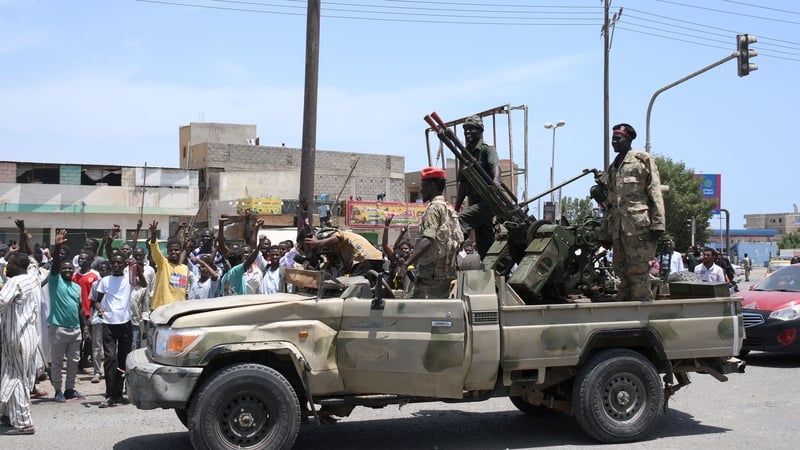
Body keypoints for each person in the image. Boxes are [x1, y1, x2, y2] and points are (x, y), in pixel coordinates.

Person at [599, 123, 665, 302]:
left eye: (617, 138)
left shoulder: (642, 160)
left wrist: (658, 223)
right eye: (612, 138)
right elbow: (610, 203)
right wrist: (605, 231)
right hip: (619, 231)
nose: (613, 141)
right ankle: (625, 314)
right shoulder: (613, 167)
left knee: (638, 273)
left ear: (628, 140)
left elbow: (655, 191)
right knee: (621, 273)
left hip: (639, 229)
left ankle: (642, 314)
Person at [400, 167, 463, 299]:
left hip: (430, 276)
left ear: (432, 186)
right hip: (446, 274)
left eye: (423, 185)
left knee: (415, 312)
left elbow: (428, 239)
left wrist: (407, 263)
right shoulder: (448, 208)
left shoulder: (434, 209)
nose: (421, 190)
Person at [94, 253, 146, 407]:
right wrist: (100, 309)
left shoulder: (129, 279)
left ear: (124, 265)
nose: (116, 265)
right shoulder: (105, 281)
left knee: (123, 359)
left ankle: (119, 393)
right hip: (109, 323)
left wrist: (136, 268)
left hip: (125, 323)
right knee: (110, 359)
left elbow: (143, 284)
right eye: (114, 263)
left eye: (119, 263)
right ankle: (110, 393)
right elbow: (96, 301)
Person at [0, 251, 41, 435]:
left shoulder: (15, 282)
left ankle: (23, 423)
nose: (6, 266)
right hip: (29, 336)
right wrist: (24, 233)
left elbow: (1, 301)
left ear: (18, 267)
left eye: (9, 263)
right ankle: (11, 415)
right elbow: (32, 262)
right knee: (15, 375)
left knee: (16, 378)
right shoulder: (32, 277)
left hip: (16, 337)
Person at [47, 230, 86, 403]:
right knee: (57, 362)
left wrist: (84, 328)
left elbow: (79, 309)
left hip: (75, 329)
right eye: (65, 268)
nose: (68, 270)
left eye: (70, 268)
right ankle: (57, 391)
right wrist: (58, 246)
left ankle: (69, 389)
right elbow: (56, 265)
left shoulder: (77, 286)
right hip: (58, 328)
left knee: (73, 362)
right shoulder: (55, 280)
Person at [454, 114, 500, 260]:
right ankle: (489, 269)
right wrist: (455, 208)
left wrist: (496, 181)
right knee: (484, 243)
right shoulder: (465, 153)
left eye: (471, 129)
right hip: (475, 202)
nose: (467, 132)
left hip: (488, 201)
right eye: (465, 129)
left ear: (480, 130)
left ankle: (451, 253)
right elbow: (463, 183)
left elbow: (495, 166)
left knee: (459, 221)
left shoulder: (487, 149)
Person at [303, 229, 384, 278]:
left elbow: (340, 237)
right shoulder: (343, 249)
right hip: (376, 258)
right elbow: (345, 267)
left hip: (365, 258)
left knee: (354, 287)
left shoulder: (339, 234)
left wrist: (319, 243)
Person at [148, 221, 190, 309]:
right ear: (167, 252)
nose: (173, 252)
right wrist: (153, 234)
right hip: (161, 310)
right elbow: (155, 248)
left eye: (176, 250)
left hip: (178, 311)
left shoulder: (185, 269)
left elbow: (185, 293)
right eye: (171, 250)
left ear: (180, 250)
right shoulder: (162, 263)